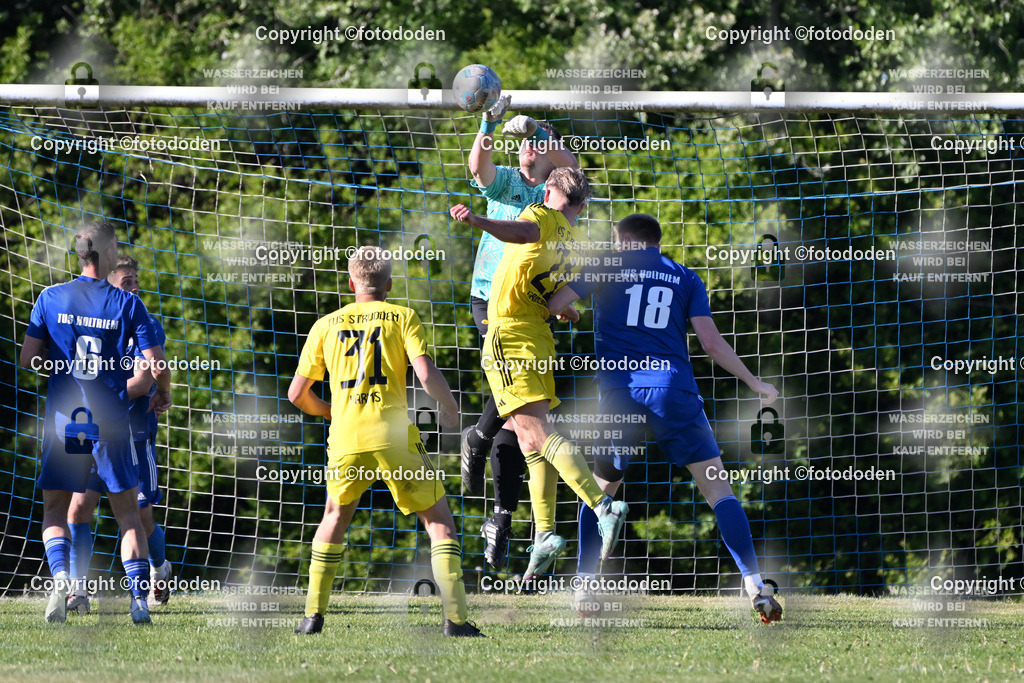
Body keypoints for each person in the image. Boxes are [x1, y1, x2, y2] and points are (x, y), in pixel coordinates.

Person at [545, 213, 784, 623]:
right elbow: (710, 343)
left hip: (621, 394)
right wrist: (752, 381)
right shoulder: (685, 277)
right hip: (675, 391)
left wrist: (567, 312)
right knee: (718, 488)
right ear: (656, 242)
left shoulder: (606, 266)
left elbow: (555, 305)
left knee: (600, 491)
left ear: (622, 241)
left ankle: (585, 587)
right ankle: (755, 585)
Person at [288, 246, 483, 637]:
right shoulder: (403, 316)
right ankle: (456, 621)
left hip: (347, 437)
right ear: (389, 284)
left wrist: (330, 412)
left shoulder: (326, 324)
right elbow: (425, 372)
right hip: (394, 436)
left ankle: (312, 617)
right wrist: (449, 407)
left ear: (350, 283)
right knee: (439, 522)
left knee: (334, 518)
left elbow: (296, 394)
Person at [450, 167, 628, 583]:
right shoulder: (573, 242)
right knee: (530, 437)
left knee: (535, 435)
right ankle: (545, 532)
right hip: (539, 337)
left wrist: (477, 220)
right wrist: (570, 310)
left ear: (549, 191)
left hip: (510, 333)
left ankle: (604, 507)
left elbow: (521, 233)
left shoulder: (541, 215)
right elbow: (553, 301)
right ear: (581, 207)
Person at [19, 221, 171, 624]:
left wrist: (63, 366)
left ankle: (63, 580)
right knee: (127, 515)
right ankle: (139, 603)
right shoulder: (127, 303)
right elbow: (156, 364)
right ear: (105, 254)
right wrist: (164, 392)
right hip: (112, 419)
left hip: (66, 418)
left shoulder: (50, 298)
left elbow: (28, 359)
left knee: (55, 510)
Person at [461, 96, 579, 569]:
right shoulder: (508, 183)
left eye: (535, 145)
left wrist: (543, 131)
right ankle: (477, 439)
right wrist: (489, 123)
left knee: (523, 422)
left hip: (531, 309)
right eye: (524, 145)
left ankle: (502, 516)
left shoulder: (557, 195)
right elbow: (478, 163)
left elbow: (572, 165)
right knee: (515, 409)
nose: (526, 150)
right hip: (491, 300)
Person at [65, 255, 173, 615]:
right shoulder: (84, 323)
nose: (135, 287)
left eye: (136, 280)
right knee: (79, 506)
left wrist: (100, 396)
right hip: (87, 426)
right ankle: (77, 591)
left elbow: (144, 381)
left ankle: (158, 569)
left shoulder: (144, 322)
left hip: (134, 432)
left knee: (140, 513)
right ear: (107, 285)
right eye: (127, 281)